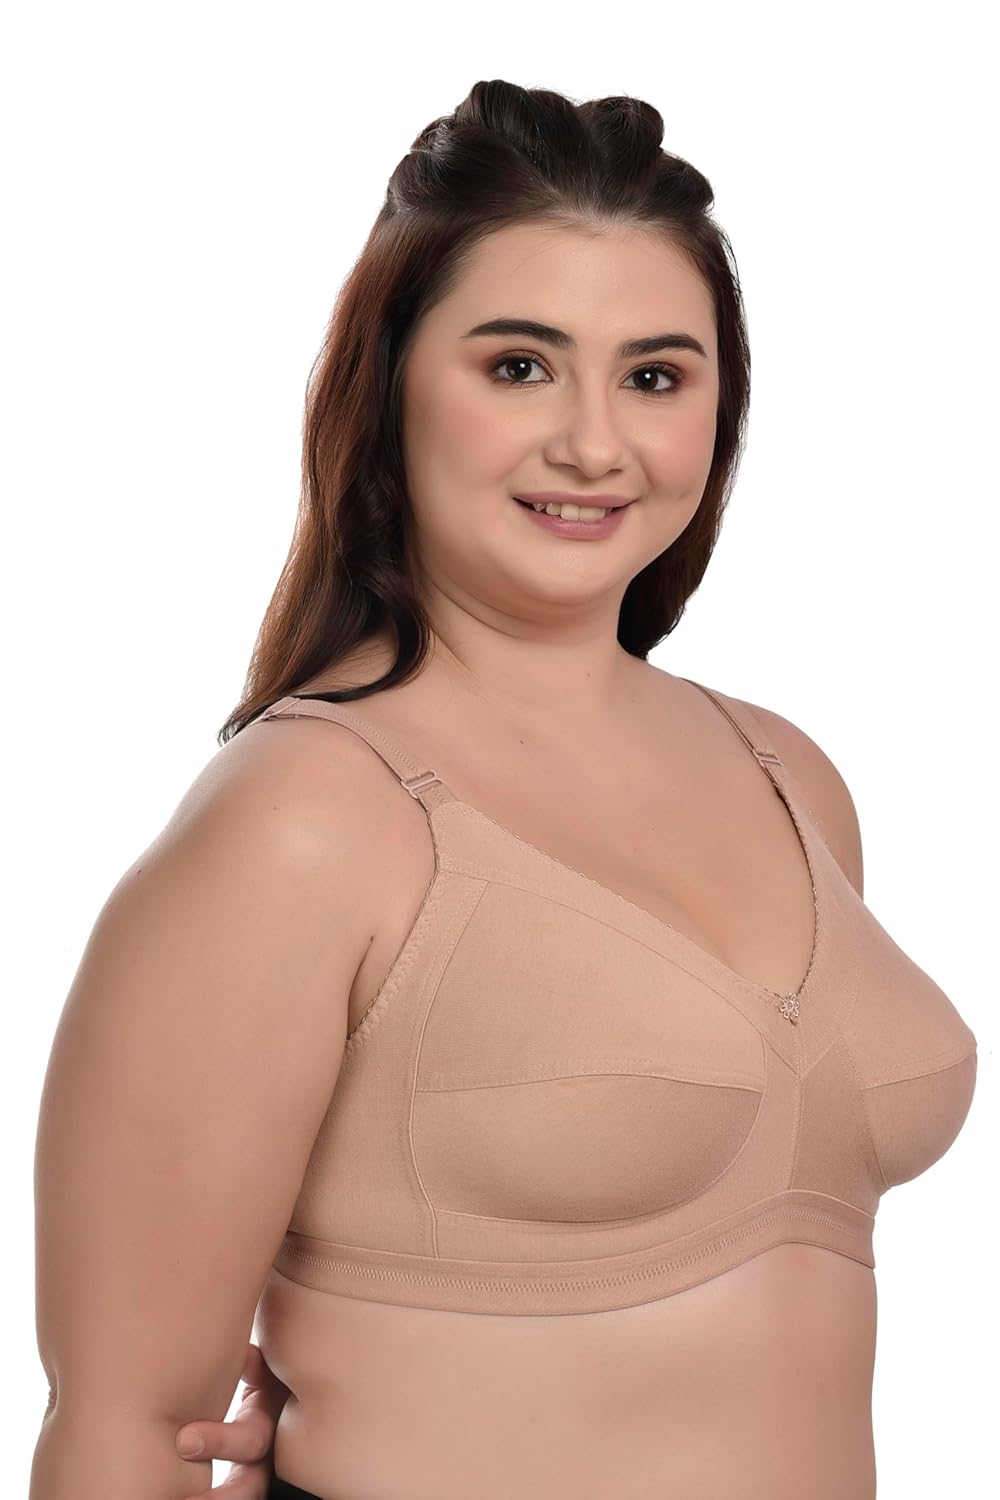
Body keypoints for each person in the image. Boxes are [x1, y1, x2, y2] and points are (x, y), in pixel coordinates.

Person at [31, 79, 978, 1500]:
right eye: (521, 366)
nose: (594, 443)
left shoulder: (791, 776)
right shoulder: (308, 819)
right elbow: (124, 1426)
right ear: (390, 386)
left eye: (655, 377)